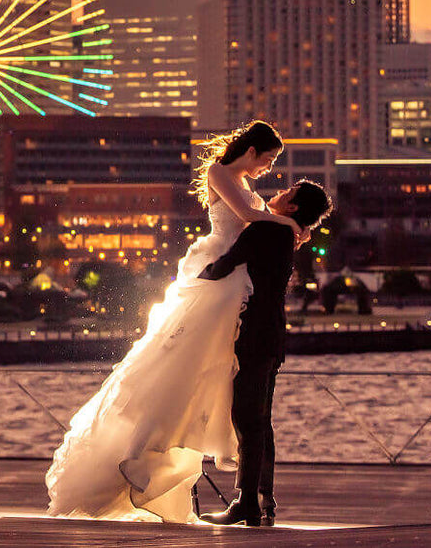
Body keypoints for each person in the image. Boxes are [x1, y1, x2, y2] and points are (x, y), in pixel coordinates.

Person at [46, 120, 301, 522]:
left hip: (235, 280)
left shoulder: (248, 186)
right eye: (267, 159)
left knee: (209, 375)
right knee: (179, 363)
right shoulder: (221, 172)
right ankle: (139, 453)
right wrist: (286, 221)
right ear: (251, 150)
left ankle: (236, 484)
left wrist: (282, 224)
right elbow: (245, 216)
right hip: (218, 274)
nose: (268, 169)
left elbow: (254, 220)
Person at [199, 180, 333, 527]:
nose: (278, 194)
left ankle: (247, 503)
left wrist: (192, 284)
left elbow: (226, 264)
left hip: (255, 337)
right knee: (260, 418)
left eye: (286, 193)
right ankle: (261, 498)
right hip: (272, 336)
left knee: (247, 416)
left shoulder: (265, 230)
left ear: (290, 207)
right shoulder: (285, 234)